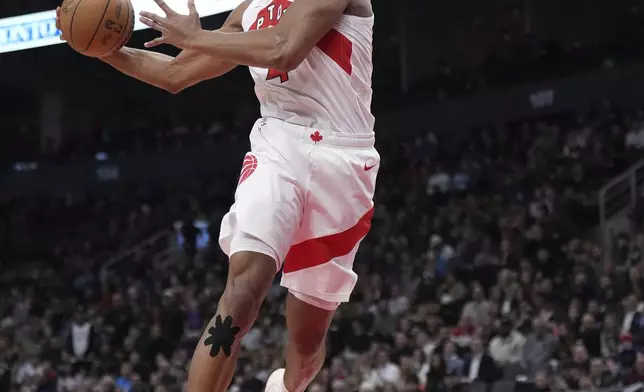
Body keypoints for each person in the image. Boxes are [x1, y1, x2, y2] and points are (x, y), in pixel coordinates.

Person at [56, 0, 377, 391]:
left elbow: (284, 48)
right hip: (279, 145)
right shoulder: (248, 10)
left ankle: (288, 387)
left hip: (343, 157)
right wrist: (101, 48)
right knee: (241, 295)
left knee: (306, 347)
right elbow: (176, 73)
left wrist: (196, 37)